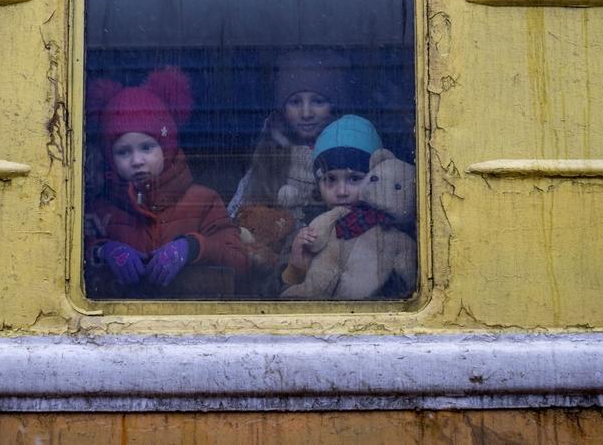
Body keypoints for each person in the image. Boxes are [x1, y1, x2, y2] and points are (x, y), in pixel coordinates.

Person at [87, 67, 246, 291]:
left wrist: (192, 247)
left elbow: (239, 261)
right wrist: (102, 251)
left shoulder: (202, 200)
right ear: (110, 157)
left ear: (166, 148)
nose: (137, 160)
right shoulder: (102, 209)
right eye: (123, 152)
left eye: (147, 147)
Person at [228, 49, 352, 222]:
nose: (306, 113)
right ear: (283, 108)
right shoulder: (270, 153)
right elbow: (241, 216)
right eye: (295, 102)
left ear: (332, 106)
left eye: (317, 101)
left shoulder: (349, 152)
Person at [282, 115, 382, 288]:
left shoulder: (386, 229)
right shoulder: (305, 232)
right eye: (331, 179)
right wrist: (296, 266)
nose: (342, 192)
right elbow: (272, 299)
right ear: (318, 183)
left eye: (354, 179)